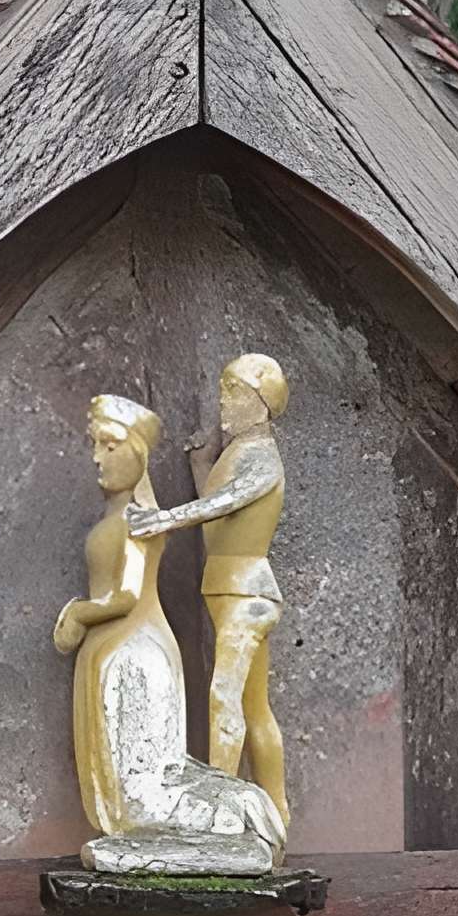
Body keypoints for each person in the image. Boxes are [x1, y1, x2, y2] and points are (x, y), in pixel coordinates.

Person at [55, 393, 287, 875]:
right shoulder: (124, 517)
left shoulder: (140, 519)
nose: (98, 458)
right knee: (126, 796)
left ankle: (237, 832)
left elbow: (125, 595)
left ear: (139, 454)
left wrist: (78, 614)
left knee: (142, 797)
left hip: (135, 659)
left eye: (111, 446)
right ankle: (236, 820)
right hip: (116, 651)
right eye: (95, 445)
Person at [125, 351, 289, 829]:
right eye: (223, 391)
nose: (224, 403)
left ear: (262, 402)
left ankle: (222, 816)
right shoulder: (239, 453)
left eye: (234, 393)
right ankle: (277, 813)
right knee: (254, 709)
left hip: (246, 593)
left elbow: (221, 504)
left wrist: (162, 519)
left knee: (224, 697)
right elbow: (218, 506)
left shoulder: (262, 456)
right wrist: (201, 465)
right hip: (230, 590)